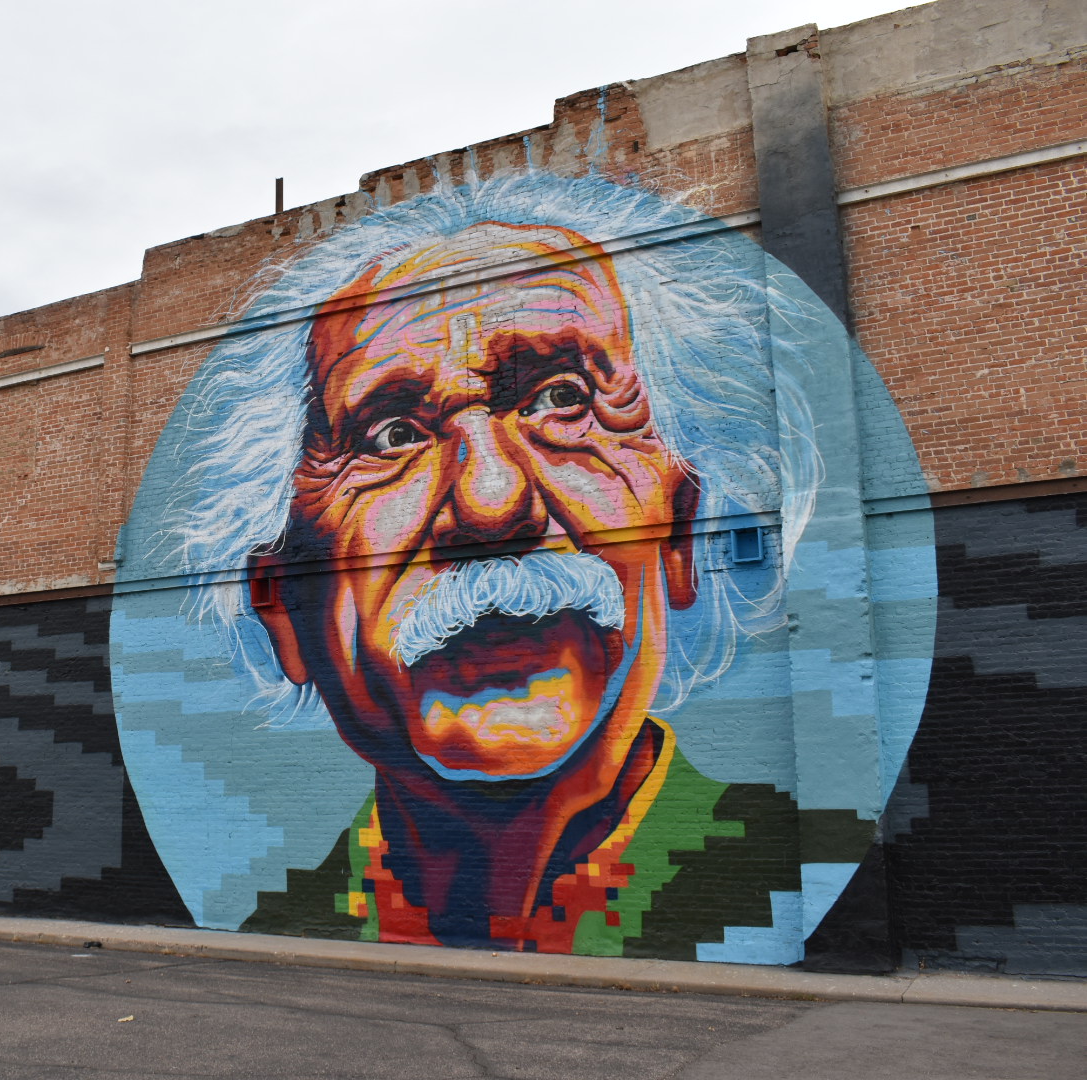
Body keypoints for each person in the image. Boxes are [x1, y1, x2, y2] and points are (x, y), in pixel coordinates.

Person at [150, 174, 836, 953]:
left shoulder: (795, 891)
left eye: (562, 398)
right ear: (284, 612)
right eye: (393, 436)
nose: (491, 500)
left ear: (679, 538)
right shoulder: (269, 946)